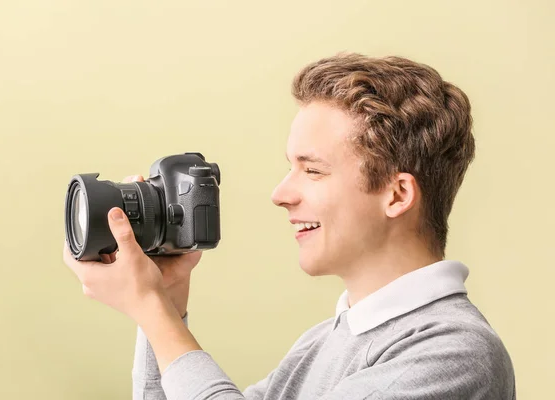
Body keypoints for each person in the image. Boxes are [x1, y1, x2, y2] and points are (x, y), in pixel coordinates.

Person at [64, 52, 516, 399]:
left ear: (397, 195)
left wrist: (153, 312)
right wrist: (165, 297)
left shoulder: (455, 354)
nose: (280, 194)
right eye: (289, 168)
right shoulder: (320, 345)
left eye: (312, 170)